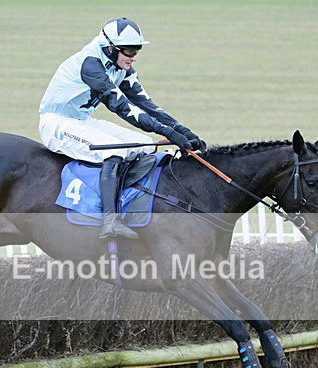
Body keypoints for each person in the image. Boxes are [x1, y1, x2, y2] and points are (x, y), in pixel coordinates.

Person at [39, 17, 205, 240]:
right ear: (110, 48)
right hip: (56, 123)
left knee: (145, 146)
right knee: (114, 150)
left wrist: (183, 131)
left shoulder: (121, 66)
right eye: (128, 51)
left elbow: (146, 105)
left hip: (81, 120)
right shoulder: (91, 65)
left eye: (136, 51)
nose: (133, 57)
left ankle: (132, 201)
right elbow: (123, 107)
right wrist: (168, 133)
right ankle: (110, 221)